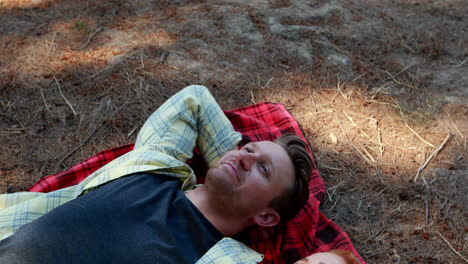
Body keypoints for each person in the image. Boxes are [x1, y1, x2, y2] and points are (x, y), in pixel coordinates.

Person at [0, 85, 313, 263]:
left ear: (267, 217)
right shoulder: (157, 166)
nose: (246, 157)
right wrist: (230, 162)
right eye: (248, 149)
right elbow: (195, 100)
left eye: (264, 168)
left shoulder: (223, 258)